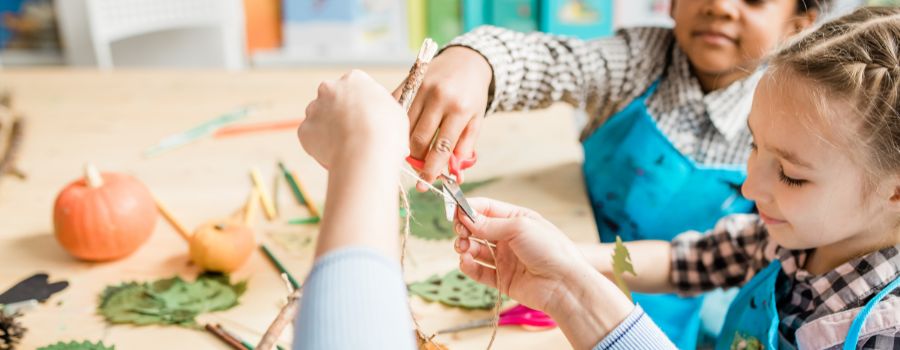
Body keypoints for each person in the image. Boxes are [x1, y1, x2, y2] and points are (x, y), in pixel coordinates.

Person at [294, 6, 900, 349]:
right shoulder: (790, 237)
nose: (749, 189)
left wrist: (363, 154)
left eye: (790, 176)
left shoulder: (878, 333)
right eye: (756, 150)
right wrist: (567, 261)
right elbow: (684, 260)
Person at [397, 1, 825, 346]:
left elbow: (710, 258)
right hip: (546, 274)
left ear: (798, 26)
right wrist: (476, 62)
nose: (720, 6)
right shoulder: (639, 60)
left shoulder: (780, 119)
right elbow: (549, 61)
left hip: (658, 321)